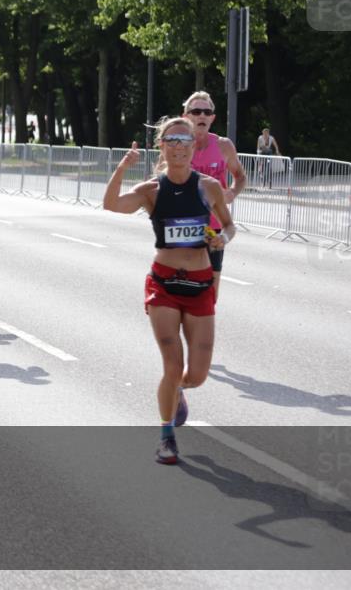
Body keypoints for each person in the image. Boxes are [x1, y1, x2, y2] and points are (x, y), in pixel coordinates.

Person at [103, 117, 235, 465]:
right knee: (173, 365)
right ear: (161, 146)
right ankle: (166, 437)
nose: (179, 146)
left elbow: (229, 225)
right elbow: (111, 204)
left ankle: (177, 390)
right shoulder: (152, 190)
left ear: (194, 146)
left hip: (200, 284)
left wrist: (223, 238)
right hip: (163, 284)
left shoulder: (209, 187)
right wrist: (122, 168)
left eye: (185, 140)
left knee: (198, 375)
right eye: (172, 140)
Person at [183, 91, 246, 302]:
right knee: (182, 285)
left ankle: (205, 317)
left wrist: (232, 192)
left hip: (213, 228)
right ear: (186, 116)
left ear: (212, 118)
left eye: (206, 112)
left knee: (210, 291)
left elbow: (240, 176)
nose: (202, 115)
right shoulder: (177, 145)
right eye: (196, 111)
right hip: (184, 225)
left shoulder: (223, 145)